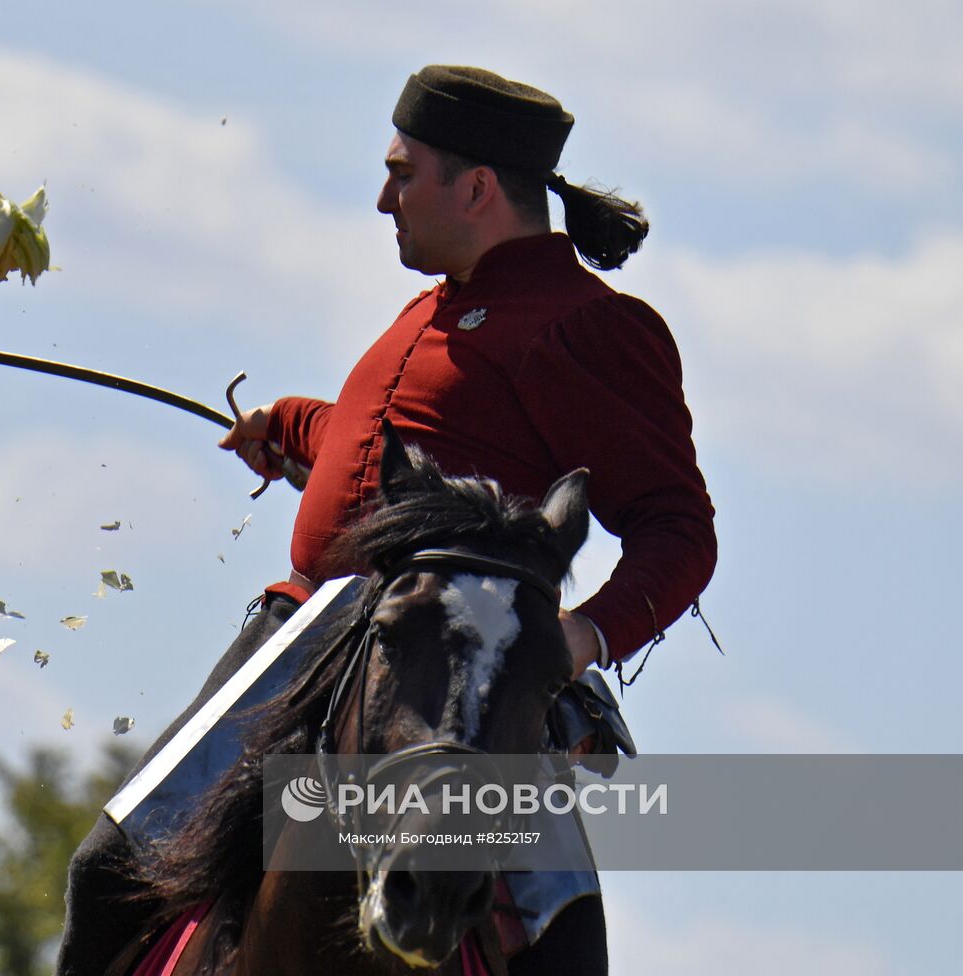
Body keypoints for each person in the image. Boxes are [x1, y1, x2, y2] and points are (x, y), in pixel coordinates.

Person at [58, 65, 716, 976]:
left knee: (567, 954)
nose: (382, 198)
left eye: (403, 174)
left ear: (477, 187)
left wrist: (577, 637)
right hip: (308, 633)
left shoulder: (587, 328)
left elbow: (678, 527)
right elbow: (382, 452)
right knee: (107, 876)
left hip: (466, 673)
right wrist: (287, 426)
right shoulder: (432, 306)